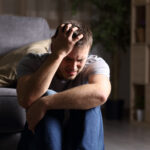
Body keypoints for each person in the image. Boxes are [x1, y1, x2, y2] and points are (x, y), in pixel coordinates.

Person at [16, 20, 111, 150]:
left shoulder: (95, 64)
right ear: (53, 47)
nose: (73, 67)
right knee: (47, 92)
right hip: (41, 142)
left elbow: (100, 94)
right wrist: (58, 55)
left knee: (90, 100)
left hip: (80, 142)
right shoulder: (32, 62)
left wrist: (45, 103)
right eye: (67, 58)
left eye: (80, 60)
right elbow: (26, 99)